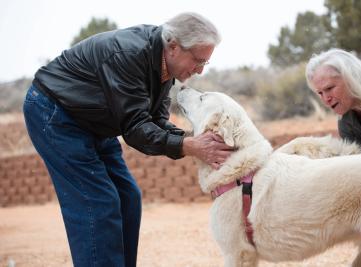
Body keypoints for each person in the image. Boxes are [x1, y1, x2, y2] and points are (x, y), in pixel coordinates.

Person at [23, 12, 233, 267]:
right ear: (174, 46)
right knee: (98, 202)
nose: (199, 70)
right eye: (198, 61)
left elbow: (155, 120)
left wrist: (192, 139)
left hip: (98, 122)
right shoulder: (129, 55)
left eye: (205, 64)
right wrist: (188, 146)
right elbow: (135, 130)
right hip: (56, 114)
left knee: (127, 196)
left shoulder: (165, 66)